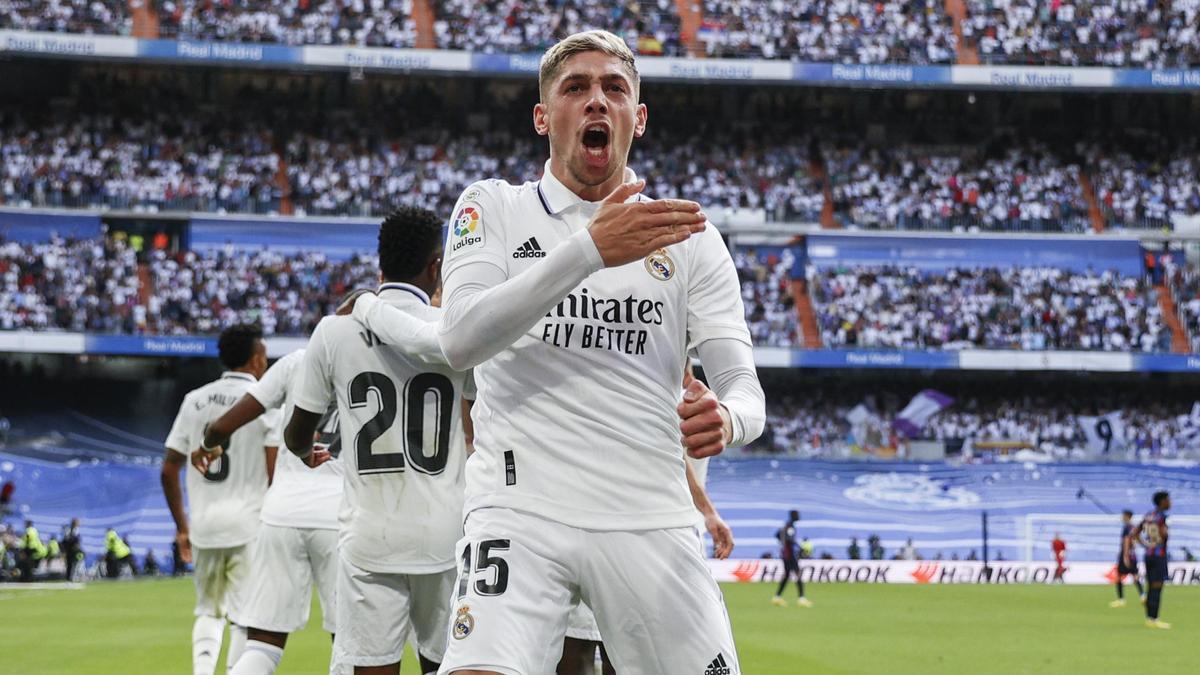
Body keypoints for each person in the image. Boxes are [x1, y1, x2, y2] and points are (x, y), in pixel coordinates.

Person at [349, 30, 764, 674]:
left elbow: (744, 386)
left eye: (614, 89)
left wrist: (728, 417)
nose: (596, 101)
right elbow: (459, 339)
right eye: (576, 88)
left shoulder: (689, 238)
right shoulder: (492, 208)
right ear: (545, 117)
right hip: (519, 510)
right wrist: (590, 250)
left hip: (648, 514)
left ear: (638, 118)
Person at [286, 206, 474, 675]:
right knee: (445, 665)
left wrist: (306, 449)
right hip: (444, 532)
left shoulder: (335, 330)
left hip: (369, 535)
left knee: (371, 667)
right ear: (436, 267)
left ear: (380, 265)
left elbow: (295, 434)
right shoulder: (454, 333)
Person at [196, 296, 362, 675]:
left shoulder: (295, 362)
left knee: (261, 646)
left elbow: (221, 427)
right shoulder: (374, 362)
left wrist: (207, 444)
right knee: (350, 646)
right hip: (340, 516)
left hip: (281, 514)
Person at [161, 324, 275, 675]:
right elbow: (275, 475)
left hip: (205, 525)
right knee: (244, 616)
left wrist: (182, 528)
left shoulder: (194, 400)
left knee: (208, 611)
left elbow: (168, 469)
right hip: (249, 525)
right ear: (257, 359)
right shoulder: (267, 401)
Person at [1137, 491, 1171, 629]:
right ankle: (1154, 618)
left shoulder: (1148, 515)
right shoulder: (1161, 517)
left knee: (1150, 586)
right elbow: (1163, 534)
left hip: (1148, 555)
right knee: (1157, 586)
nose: (1170, 502)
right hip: (1158, 555)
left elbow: (1135, 533)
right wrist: (1163, 540)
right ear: (1162, 501)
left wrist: (1145, 544)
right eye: (1168, 500)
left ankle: (1149, 618)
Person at [772, 510, 811, 608]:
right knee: (797, 574)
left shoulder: (786, 526)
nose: (799, 516)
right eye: (797, 514)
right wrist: (799, 547)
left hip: (786, 554)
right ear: (794, 516)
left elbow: (777, 535)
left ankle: (777, 597)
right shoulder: (790, 526)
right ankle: (801, 598)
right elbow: (790, 540)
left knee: (787, 575)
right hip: (790, 555)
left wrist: (783, 544)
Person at [1110, 510, 1144, 608]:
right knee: (1135, 576)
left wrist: (1125, 556)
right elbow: (1135, 541)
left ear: (1127, 516)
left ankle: (1121, 599)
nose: (1122, 517)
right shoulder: (1134, 527)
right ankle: (1143, 596)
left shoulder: (1127, 528)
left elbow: (1126, 541)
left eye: (1123, 516)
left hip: (1126, 554)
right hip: (1133, 555)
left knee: (1119, 576)